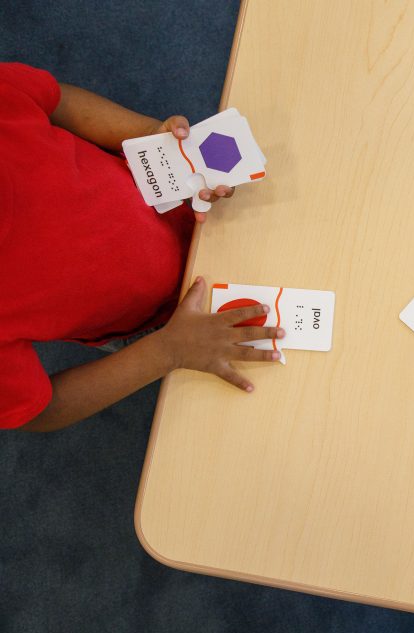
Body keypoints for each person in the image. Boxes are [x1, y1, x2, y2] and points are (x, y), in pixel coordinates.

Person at [0, 62, 283, 432]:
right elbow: (40, 411)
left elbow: (53, 100)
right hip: (156, 326)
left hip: (187, 207)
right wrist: (169, 350)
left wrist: (151, 137)